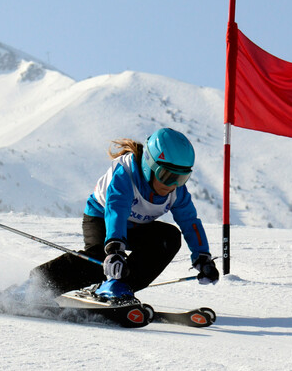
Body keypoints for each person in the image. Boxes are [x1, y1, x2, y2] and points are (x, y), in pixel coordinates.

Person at [27, 127, 219, 298]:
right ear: (149, 166)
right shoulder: (125, 175)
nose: (173, 185)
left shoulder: (177, 191)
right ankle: (36, 286)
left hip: (136, 226)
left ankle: (119, 288)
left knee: (169, 238)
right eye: (167, 176)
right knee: (99, 260)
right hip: (102, 217)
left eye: (182, 177)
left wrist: (203, 258)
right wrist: (114, 250)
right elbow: (116, 210)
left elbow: (190, 222)